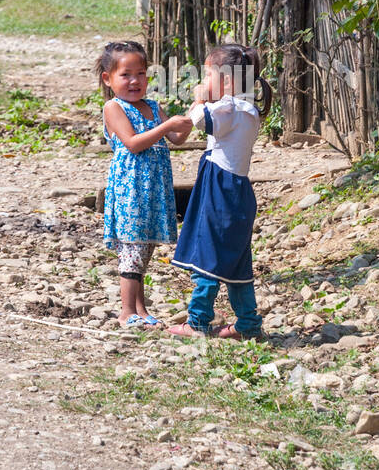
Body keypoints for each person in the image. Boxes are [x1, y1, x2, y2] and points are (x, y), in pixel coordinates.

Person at [168, 44, 272, 340]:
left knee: (208, 255)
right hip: (236, 192)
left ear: (226, 81)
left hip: (220, 191)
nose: (203, 81)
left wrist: (200, 99)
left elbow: (199, 121)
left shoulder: (230, 108)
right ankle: (248, 324)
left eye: (207, 74)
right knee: (237, 261)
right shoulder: (246, 108)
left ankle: (197, 321)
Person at [97, 41, 193, 328]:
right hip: (132, 190)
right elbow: (133, 143)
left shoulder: (152, 106)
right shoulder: (113, 107)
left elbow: (175, 140)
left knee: (144, 250)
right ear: (108, 78)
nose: (135, 81)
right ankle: (126, 312)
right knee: (133, 251)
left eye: (141, 73)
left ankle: (141, 308)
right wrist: (166, 126)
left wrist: (184, 125)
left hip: (154, 189)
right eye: (126, 75)